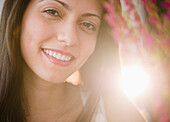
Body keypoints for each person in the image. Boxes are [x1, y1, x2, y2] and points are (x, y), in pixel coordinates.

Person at [0, 0, 146, 121]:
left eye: (88, 24)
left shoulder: (119, 113)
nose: (69, 39)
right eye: (52, 12)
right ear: (19, 14)